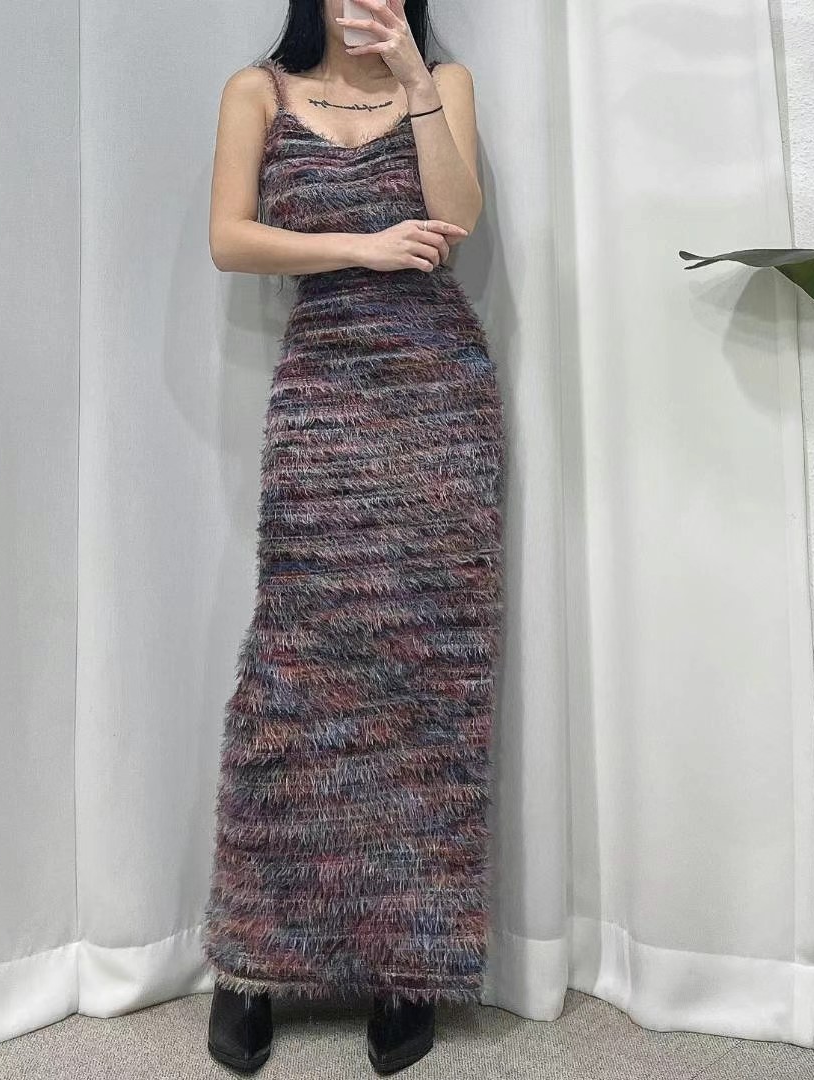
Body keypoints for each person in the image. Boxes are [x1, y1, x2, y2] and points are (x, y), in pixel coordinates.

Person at [202, 0, 505, 1073]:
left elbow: (457, 215)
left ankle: (404, 964)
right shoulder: (258, 91)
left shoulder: (444, 83)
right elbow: (229, 240)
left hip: (438, 404)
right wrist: (362, 248)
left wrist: (415, 75)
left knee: (428, 685)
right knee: (293, 674)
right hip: (323, 389)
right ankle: (251, 961)